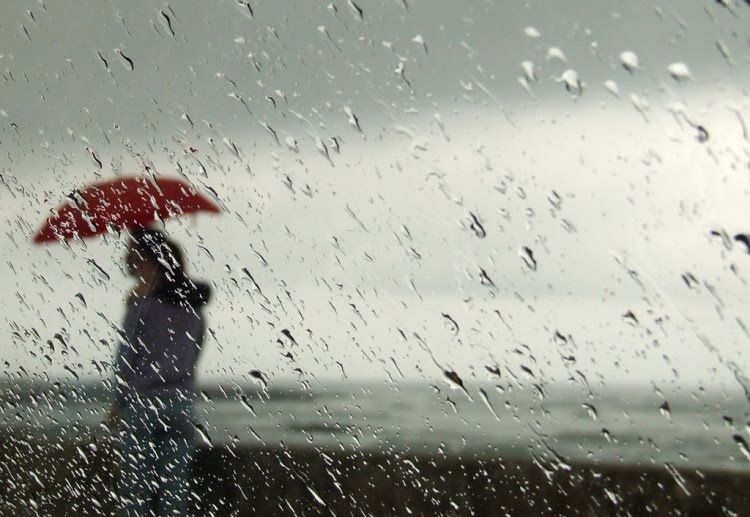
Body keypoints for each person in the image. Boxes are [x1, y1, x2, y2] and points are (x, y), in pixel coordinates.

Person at [107, 228, 211, 516]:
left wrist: (118, 402)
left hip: (142, 405)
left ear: (154, 266)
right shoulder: (194, 311)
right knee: (175, 492)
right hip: (181, 404)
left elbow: (126, 359)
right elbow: (194, 352)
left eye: (141, 262)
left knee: (135, 492)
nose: (135, 267)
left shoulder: (143, 306)